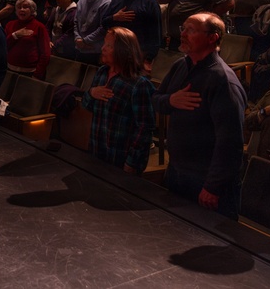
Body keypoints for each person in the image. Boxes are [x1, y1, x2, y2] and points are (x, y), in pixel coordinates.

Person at [152, 13, 246, 219]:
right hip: (178, 170)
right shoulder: (181, 65)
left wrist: (213, 186)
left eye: (191, 30)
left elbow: (230, 141)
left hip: (206, 180)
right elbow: (156, 99)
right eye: (183, 29)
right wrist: (171, 100)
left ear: (212, 38)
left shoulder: (222, 80)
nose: (183, 34)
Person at [81, 27, 156, 174]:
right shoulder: (102, 73)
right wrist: (91, 93)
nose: (103, 48)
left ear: (123, 50)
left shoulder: (138, 84)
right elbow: (86, 106)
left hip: (120, 158)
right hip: (97, 151)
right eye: (104, 44)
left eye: (109, 46)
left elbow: (145, 129)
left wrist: (131, 163)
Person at [5, 0, 51, 79]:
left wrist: (37, 74)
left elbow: (45, 53)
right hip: (9, 69)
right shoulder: (10, 24)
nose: (21, 9)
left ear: (32, 10)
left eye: (25, 7)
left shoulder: (39, 27)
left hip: (30, 72)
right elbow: (4, 46)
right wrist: (15, 35)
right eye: (19, 7)